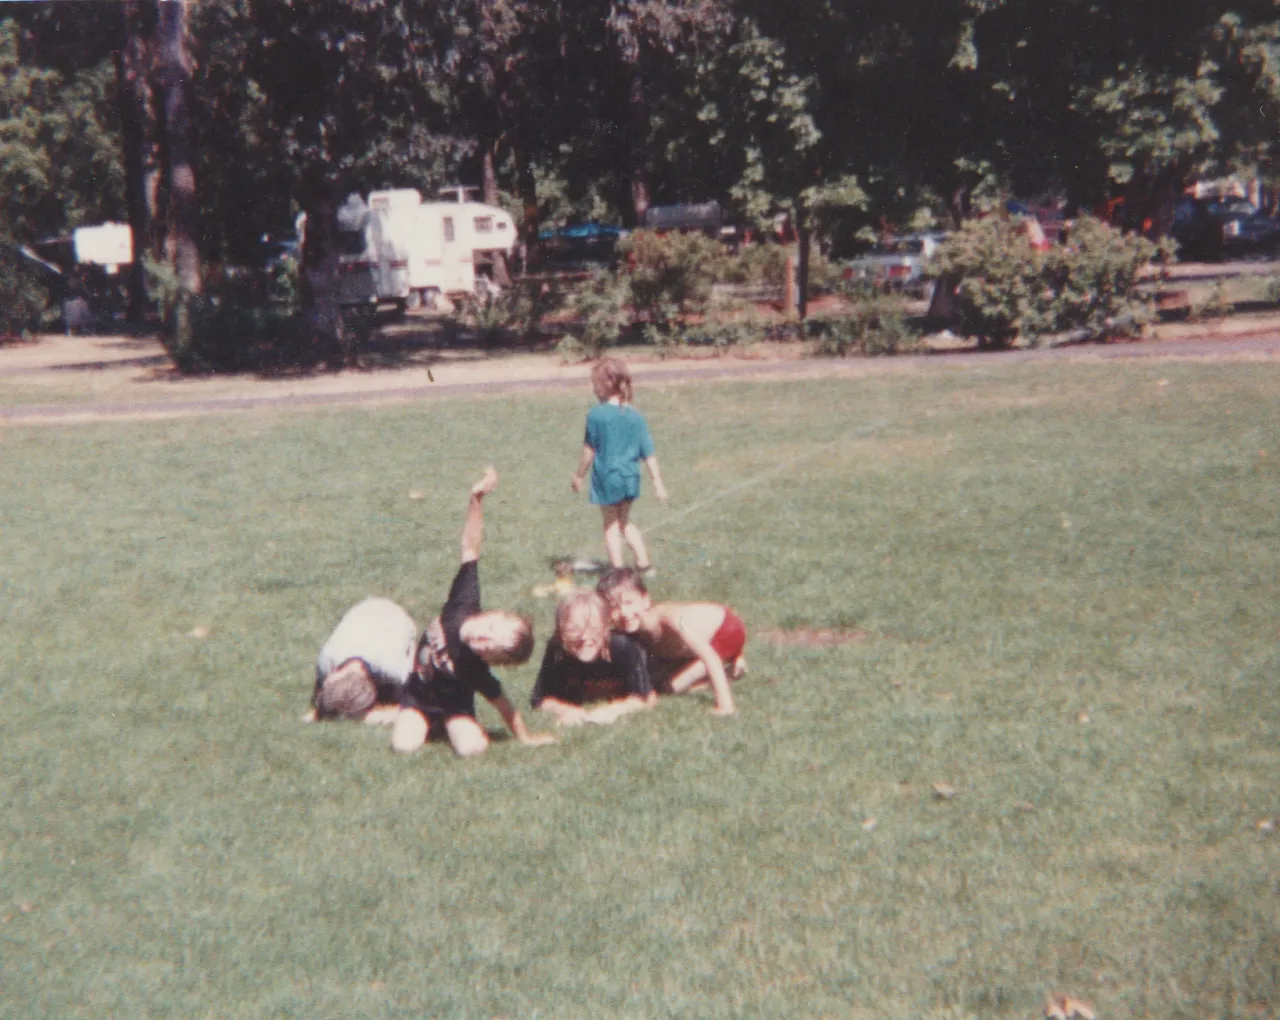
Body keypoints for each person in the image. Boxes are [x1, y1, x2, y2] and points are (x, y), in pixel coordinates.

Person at [391, 468, 556, 757]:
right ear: (493, 614)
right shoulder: (464, 601)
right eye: (491, 629)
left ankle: (447, 724)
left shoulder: (474, 669)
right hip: (417, 698)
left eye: (490, 650)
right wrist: (476, 499)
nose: (483, 640)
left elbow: (503, 703)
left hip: (456, 707)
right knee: (403, 745)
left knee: (472, 748)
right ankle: (422, 720)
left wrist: (526, 737)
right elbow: (471, 545)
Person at [597, 568, 745, 717]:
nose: (623, 612)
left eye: (628, 602)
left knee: (671, 687)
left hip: (725, 633)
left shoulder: (673, 620)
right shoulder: (633, 627)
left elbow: (709, 655)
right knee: (655, 680)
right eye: (614, 607)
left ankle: (728, 671)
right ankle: (728, 664)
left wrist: (725, 706)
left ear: (646, 600)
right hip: (687, 648)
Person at [571, 358, 669, 571]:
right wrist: (658, 483)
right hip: (630, 478)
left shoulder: (596, 415)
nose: (593, 389)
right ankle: (644, 563)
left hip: (608, 477)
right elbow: (649, 453)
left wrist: (579, 475)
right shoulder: (635, 416)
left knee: (611, 524)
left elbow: (589, 450)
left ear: (606, 384)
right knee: (625, 521)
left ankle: (617, 570)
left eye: (595, 384)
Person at [530, 591, 656, 727]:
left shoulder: (621, 647)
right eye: (574, 630)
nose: (584, 638)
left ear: (606, 629)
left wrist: (614, 710)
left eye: (593, 628)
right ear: (560, 633)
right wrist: (566, 710)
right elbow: (540, 699)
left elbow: (645, 697)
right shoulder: (557, 651)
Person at [305, 596, 421, 725]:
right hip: (363, 609)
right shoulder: (327, 661)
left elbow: (416, 703)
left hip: (395, 616)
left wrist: (386, 714)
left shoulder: (393, 669)